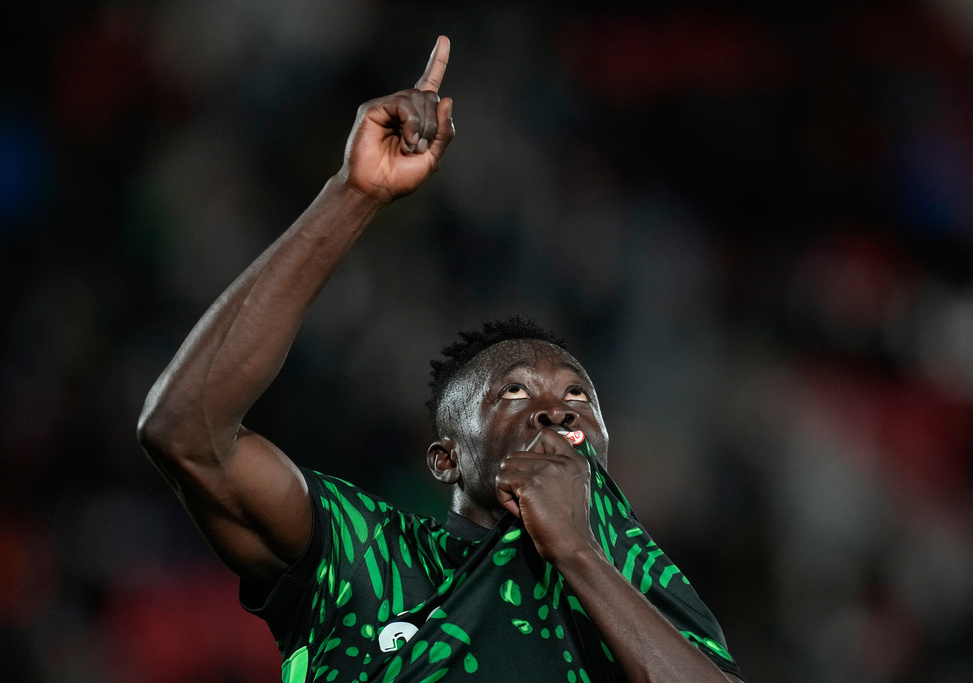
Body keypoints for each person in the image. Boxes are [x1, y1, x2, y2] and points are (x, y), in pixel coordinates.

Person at [137, 36, 744, 682]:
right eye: (513, 393)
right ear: (446, 458)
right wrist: (354, 194)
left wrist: (578, 552)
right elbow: (186, 432)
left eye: (576, 399)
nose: (553, 411)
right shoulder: (364, 553)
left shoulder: (637, 575)